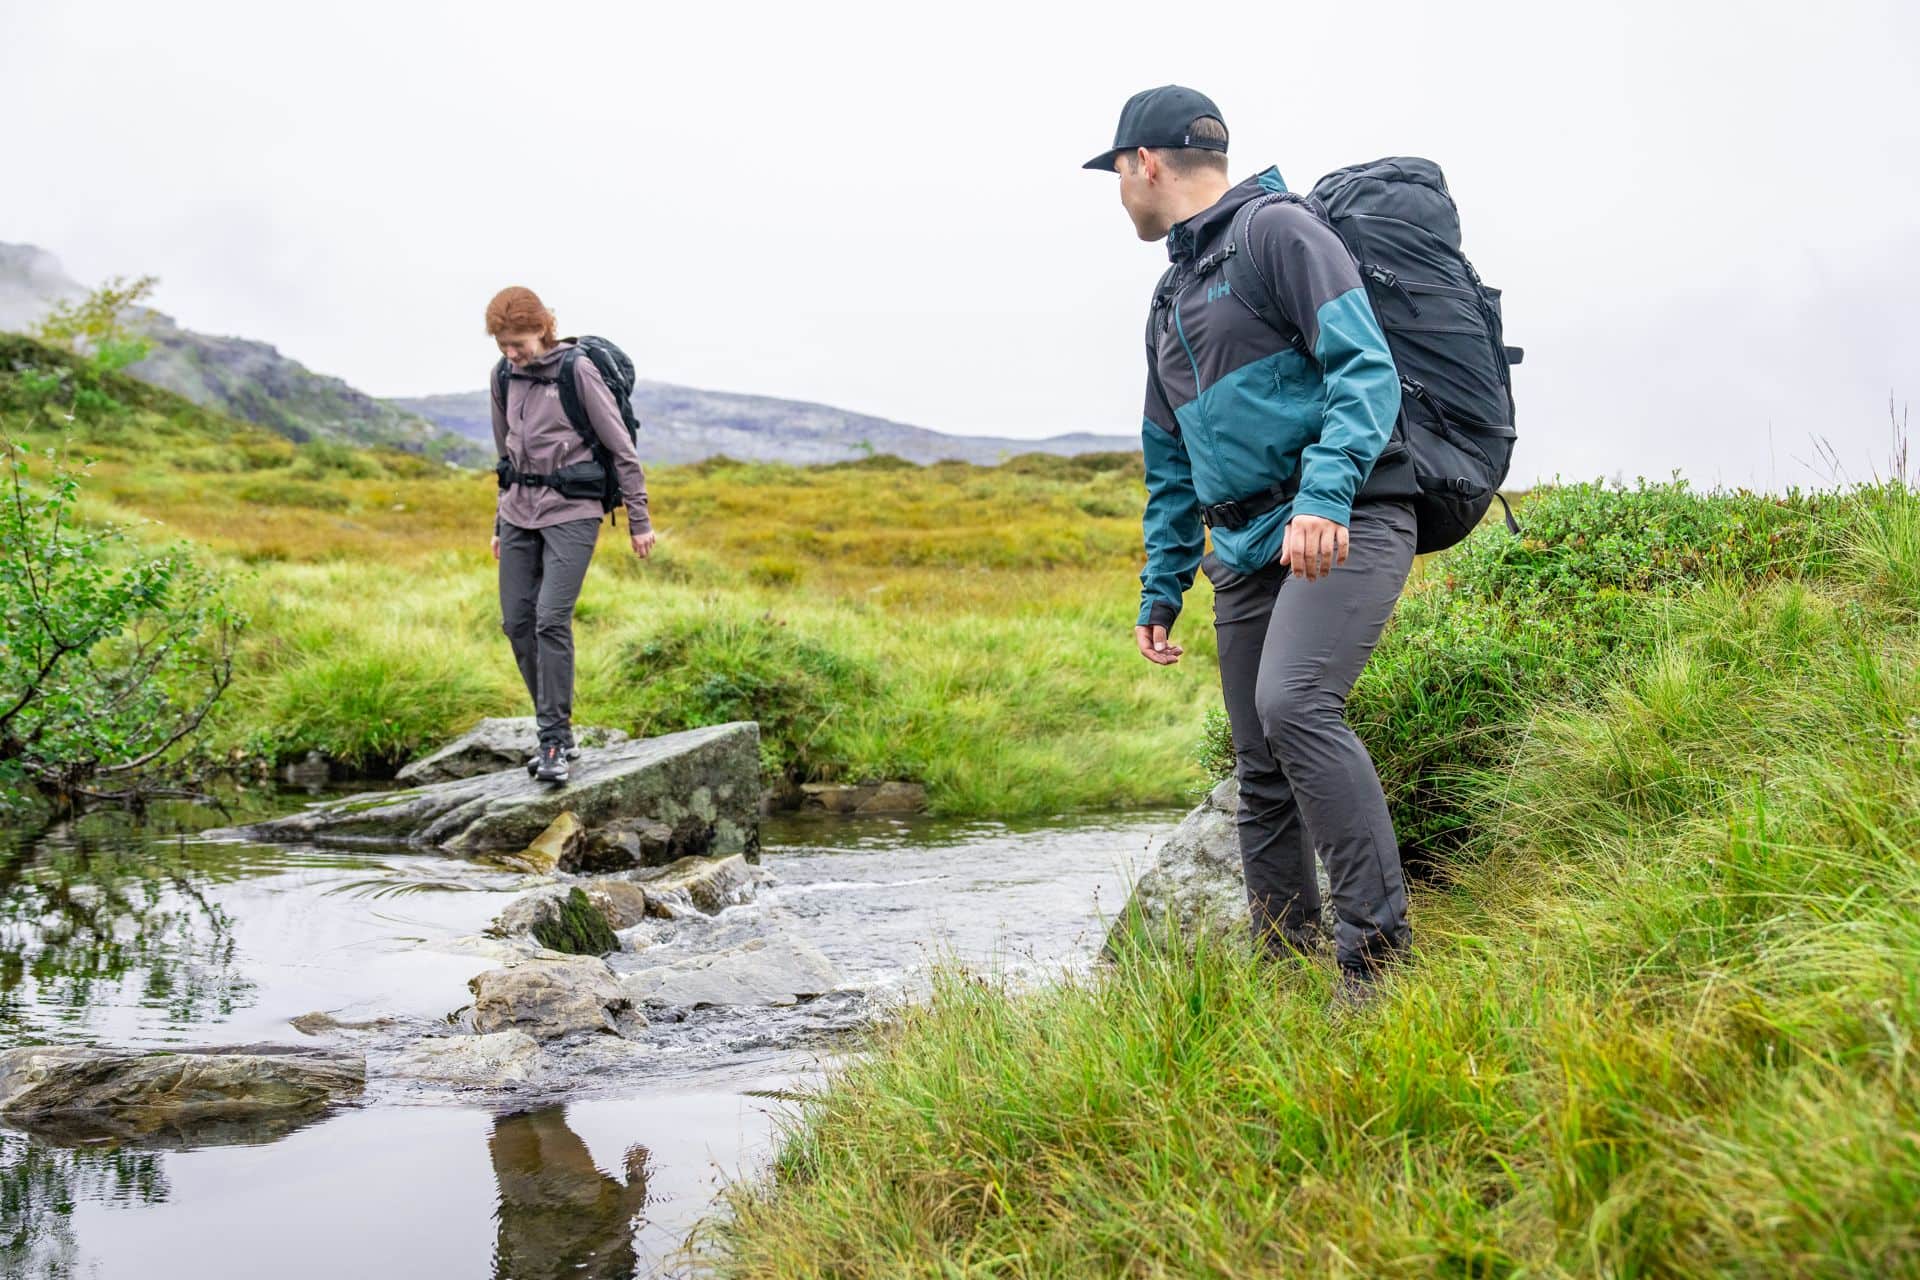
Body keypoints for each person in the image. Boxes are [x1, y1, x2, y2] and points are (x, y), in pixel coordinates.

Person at [1086, 86, 1421, 997]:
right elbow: (1170, 461)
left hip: (1344, 517)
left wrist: (1326, 494)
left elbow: (1365, 366)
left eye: (1116, 172)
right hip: (1241, 553)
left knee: (1298, 707)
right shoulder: (1169, 297)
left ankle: (1379, 970)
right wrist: (1161, 588)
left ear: (1145, 162)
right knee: (1261, 768)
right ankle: (1285, 973)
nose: (1118, 192)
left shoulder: (1280, 233)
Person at [486, 286, 654, 784]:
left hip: (573, 510)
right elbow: (505, 459)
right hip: (518, 511)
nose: (512, 354)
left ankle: (554, 742)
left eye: (518, 343)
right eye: (502, 346)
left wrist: (639, 519)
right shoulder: (502, 376)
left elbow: (621, 448)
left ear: (542, 329)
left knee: (549, 619)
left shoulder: (575, 370)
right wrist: (499, 523)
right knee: (517, 623)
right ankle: (555, 728)